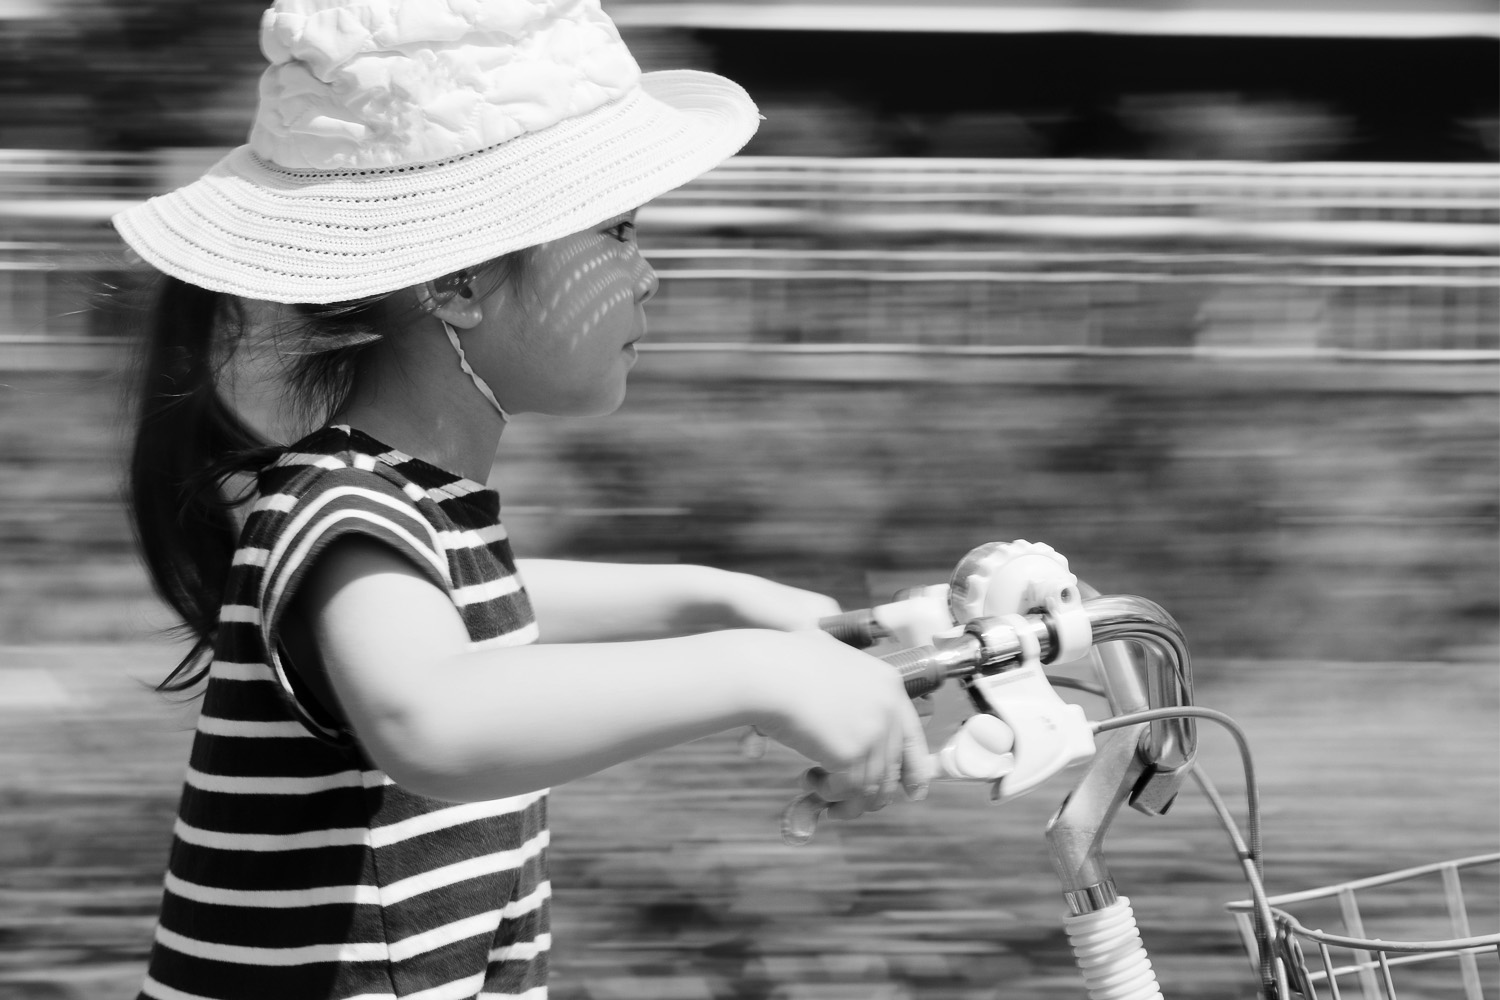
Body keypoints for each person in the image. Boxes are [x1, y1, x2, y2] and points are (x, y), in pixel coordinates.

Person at [113, 1, 932, 997]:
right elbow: (433, 719)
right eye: (617, 233)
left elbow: (490, 602)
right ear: (458, 283)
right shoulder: (339, 513)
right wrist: (759, 672)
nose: (648, 276)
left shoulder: (413, 521)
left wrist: (723, 598)